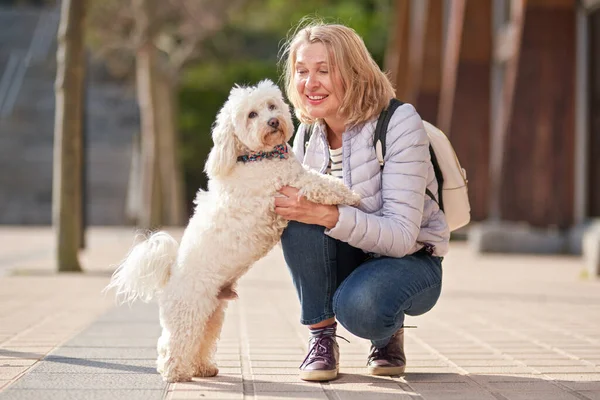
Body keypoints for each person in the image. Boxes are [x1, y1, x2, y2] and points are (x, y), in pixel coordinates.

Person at [273, 20, 450, 382]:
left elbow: (402, 236)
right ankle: (321, 338)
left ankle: (386, 333)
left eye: (324, 70)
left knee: (361, 308)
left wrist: (326, 214)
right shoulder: (308, 133)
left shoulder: (398, 121)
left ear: (354, 73)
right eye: (302, 71)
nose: (310, 83)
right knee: (296, 215)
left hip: (411, 261)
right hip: (350, 250)